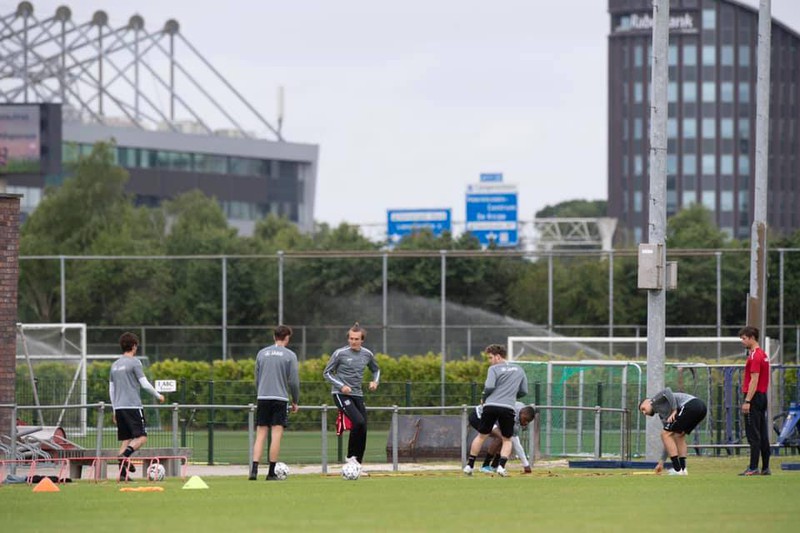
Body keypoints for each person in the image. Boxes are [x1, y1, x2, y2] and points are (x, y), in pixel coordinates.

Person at [464, 344, 528, 477]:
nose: (489, 361)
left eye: (490, 357)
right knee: (507, 439)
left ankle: (469, 466)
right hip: (508, 408)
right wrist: (511, 396)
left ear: (498, 356)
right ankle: (501, 467)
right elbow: (523, 391)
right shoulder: (519, 369)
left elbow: (489, 386)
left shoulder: (493, 369)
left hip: (490, 406)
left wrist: (484, 397)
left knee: (481, 436)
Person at [323, 322, 380, 467]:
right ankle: (350, 457)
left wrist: (375, 382)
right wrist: (341, 386)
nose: (353, 341)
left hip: (357, 395)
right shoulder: (340, 353)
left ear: (362, 340)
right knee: (358, 421)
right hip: (340, 394)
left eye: (356, 339)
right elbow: (327, 373)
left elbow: (376, 370)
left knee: (363, 426)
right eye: (351, 338)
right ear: (348, 339)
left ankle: (357, 463)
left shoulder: (367, 354)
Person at [109, 332, 165, 481]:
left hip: (119, 408)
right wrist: (158, 395)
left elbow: (111, 389)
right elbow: (144, 383)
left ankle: (122, 475)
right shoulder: (135, 362)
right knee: (141, 437)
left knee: (126, 439)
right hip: (133, 406)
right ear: (134, 346)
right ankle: (124, 456)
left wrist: (114, 409)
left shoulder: (114, 365)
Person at [249, 325, 300, 481]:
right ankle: (271, 472)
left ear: (274, 337)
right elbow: (293, 381)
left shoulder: (261, 353)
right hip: (280, 399)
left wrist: (261, 392)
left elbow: (257, 379)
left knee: (260, 435)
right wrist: (295, 400)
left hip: (263, 397)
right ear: (287, 338)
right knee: (276, 435)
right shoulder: (290, 355)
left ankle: (254, 470)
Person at [639, 387, 707, 476]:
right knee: (678, 436)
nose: (644, 413)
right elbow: (668, 442)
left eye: (643, 409)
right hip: (701, 408)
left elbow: (667, 390)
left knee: (665, 434)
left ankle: (677, 469)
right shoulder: (663, 416)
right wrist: (661, 462)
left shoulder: (654, 400)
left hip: (691, 405)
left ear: (647, 402)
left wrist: (674, 410)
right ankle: (683, 469)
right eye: (642, 412)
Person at [738, 326, 771, 476]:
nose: (742, 342)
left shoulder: (755, 356)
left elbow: (754, 380)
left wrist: (747, 401)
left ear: (751, 337)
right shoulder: (763, 354)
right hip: (762, 396)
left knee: (753, 433)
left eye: (744, 338)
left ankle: (753, 467)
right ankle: (765, 467)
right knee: (763, 433)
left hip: (754, 397)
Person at [469, 401, 537, 474]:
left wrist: (526, 464)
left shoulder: (520, 412)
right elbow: (516, 443)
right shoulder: (512, 413)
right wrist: (526, 464)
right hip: (478, 416)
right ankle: (485, 466)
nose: (526, 423)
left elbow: (516, 442)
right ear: (522, 413)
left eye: (528, 421)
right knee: (502, 438)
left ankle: (494, 466)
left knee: (505, 437)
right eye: (525, 419)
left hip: (491, 418)